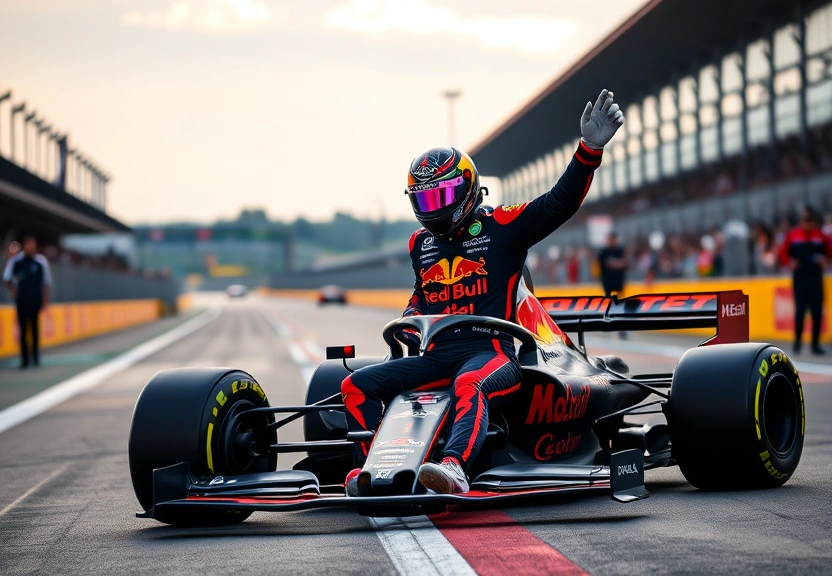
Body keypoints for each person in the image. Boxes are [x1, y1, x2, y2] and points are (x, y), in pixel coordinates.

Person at [341, 89, 624, 495]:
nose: (433, 206)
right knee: (356, 385)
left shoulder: (503, 227)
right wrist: (408, 320)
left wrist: (588, 150)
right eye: (424, 198)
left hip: (493, 354)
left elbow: (557, 204)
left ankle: (454, 468)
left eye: (440, 195)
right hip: (436, 356)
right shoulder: (419, 245)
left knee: (469, 383)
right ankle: (370, 471)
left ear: (467, 189)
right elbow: (421, 297)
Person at [778, 206, 832, 355]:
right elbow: (782, 253)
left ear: (814, 221)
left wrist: (826, 261)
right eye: (803, 220)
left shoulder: (820, 236)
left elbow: (829, 252)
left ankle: (815, 345)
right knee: (800, 312)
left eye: (809, 220)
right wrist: (789, 262)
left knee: (816, 313)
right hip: (800, 280)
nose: (806, 223)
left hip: (816, 279)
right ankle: (797, 344)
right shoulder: (793, 235)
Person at [3, 236, 52, 368]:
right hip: (22, 300)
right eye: (28, 245)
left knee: (35, 328)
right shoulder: (16, 261)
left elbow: (46, 282)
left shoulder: (40, 262)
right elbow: (6, 278)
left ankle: (36, 357)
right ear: (24, 246)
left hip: (35, 299)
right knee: (23, 329)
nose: (30, 247)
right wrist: (14, 291)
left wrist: (45, 299)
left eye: (33, 245)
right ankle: (24, 359)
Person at [597, 231, 628, 339]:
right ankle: (608, 327)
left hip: (618, 284)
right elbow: (606, 265)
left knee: (620, 308)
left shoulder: (619, 251)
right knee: (610, 307)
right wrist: (618, 264)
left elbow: (625, 264)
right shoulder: (603, 253)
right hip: (608, 285)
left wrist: (616, 264)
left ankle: (621, 330)